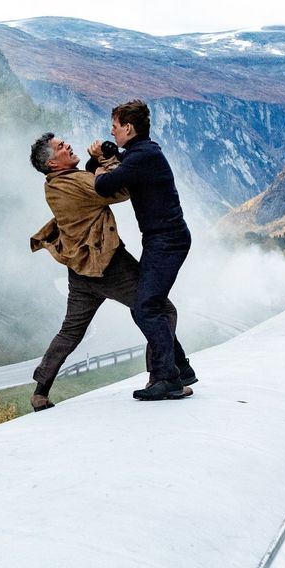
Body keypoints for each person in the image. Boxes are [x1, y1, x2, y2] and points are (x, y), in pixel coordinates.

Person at [28, 132, 196, 412]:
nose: (67, 145)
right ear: (53, 163)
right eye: (60, 147)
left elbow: (94, 184)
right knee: (159, 309)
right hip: (110, 267)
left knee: (70, 332)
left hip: (80, 271)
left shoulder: (54, 186)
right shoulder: (78, 182)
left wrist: (97, 163)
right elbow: (121, 190)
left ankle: (40, 392)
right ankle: (162, 377)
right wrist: (112, 161)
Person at [92, 99, 192, 401]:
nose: (112, 131)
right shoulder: (143, 152)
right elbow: (122, 160)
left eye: (115, 126)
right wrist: (109, 154)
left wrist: (98, 165)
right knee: (150, 305)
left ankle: (168, 378)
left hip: (167, 241)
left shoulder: (142, 157)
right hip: (163, 239)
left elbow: (104, 186)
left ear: (128, 128)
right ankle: (181, 370)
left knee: (145, 307)